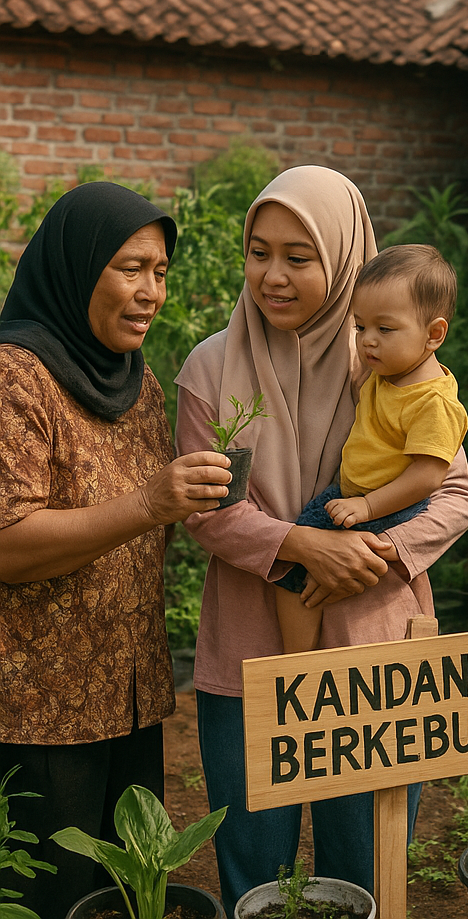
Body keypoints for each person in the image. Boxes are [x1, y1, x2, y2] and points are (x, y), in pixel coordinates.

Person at [174, 166, 468, 914]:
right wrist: (304, 545)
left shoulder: (384, 351)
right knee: (254, 862)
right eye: (258, 251)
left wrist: (371, 553)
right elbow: (207, 510)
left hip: (373, 655)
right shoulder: (211, 367)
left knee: (369, 861)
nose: (272, 276)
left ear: (342, 257)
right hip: (250, 646)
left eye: (299, 257)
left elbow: (455, 493)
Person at [0, 182, 232, 918]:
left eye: (161, 271)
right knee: (51, 897)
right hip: (38, 707)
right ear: (77, 267)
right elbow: (7, 543)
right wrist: (149, 503)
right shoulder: (16, 378)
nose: (151, 291)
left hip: (130, 693)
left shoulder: (141, 387)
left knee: (132, 896)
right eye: (131, 267)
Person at [276, 242, 468, 654]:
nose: (367, 342)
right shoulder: (388, 375)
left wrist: (368, 507)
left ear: (434, 334)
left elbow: (428, 477)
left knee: (304, 572)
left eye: (385, 329)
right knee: (292, 565)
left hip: (386, 505)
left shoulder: (433, 402)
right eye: (360, 327)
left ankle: (298, 667)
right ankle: (297, 664)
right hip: (352, 497)